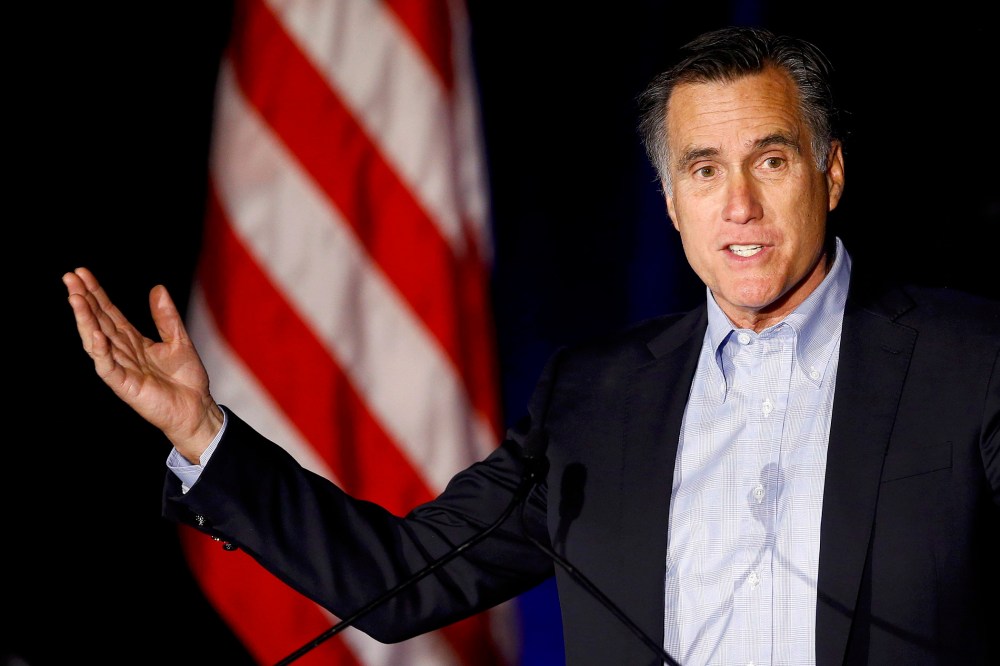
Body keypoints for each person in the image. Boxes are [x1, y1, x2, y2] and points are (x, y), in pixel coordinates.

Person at [64, 26, 998, 666]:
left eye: (772, 159)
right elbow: (395, 584)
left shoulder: (970, 360)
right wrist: (202, 431)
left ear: (829, 173)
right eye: (704, 171)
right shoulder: (594, 401)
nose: (739, 206)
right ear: (671, 204)